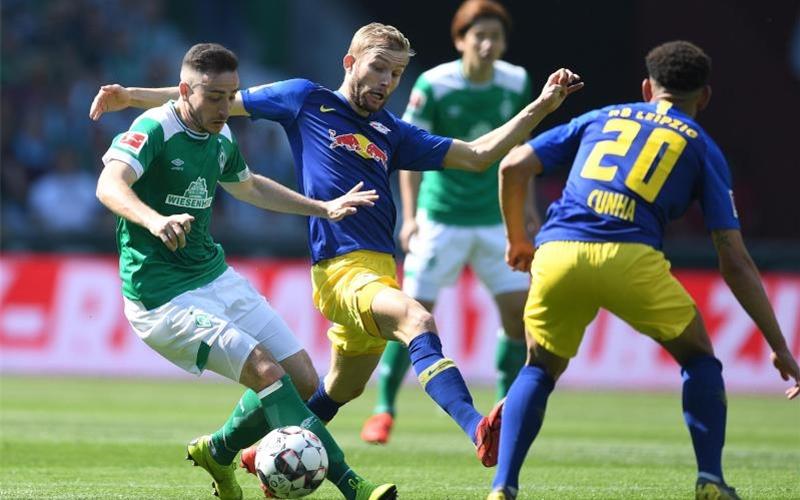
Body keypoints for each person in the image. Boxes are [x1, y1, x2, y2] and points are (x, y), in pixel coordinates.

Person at [89, 23, 582, 471]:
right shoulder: (304, 99)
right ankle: (477, 428)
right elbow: (215, 97)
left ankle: (229, 451)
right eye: (378, 68)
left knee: (337, 389)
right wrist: (131, 97)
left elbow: (477, 156)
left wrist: (540, 106)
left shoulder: (393, 132)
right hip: (342, 272)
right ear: (350, 63)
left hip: (379, 272)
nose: (386, 82)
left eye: (395, 73)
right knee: (417, 321)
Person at [488, 40, 800, 500]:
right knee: (698, 360)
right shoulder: (701, 146)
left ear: (646, 88)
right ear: (705, 97)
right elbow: (733, 258)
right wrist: (779, 347)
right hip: (629, 258)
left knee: (538, 367)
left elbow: (513, 165)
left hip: (558, 252)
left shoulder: (602, 116)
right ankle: (710, 481)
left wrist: (518, 240)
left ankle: (502, 488)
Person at [94, 42, 398, 500]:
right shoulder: (155, 125)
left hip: (213, 276)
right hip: (160, 297)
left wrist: (322, 207)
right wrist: (154, 220)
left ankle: (218, 450)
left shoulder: (220, 137)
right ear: (183, 91)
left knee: (303, 379)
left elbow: (250, 186)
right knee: (265, 371)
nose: (225, 107)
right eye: (214, 96)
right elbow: (109, 183)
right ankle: (351, 484)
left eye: (231, 94)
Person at [361, 0, 535, 446]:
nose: (487, 43)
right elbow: (408, 155)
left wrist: (525, 211)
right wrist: (412, 216)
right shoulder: (434, 84)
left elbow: (520, 152)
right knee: (413, 314)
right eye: (479, 35)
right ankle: (384, 408)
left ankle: (503, 410)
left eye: (495, 36)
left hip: (494, 220)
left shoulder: (516, 82)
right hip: (440, 219)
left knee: (518, 317)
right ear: (461, 40)